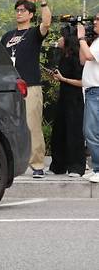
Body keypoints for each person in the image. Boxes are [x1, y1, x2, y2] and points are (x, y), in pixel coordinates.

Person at [0, 0, 52, 178]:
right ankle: (11, 162)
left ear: (30, 14)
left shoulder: (34, 33)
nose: (19, 13)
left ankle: (37, 165)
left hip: (30, 86)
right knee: (7, 125)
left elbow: (46, 23)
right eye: (17, 10)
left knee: (32, 125)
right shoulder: (7, 36)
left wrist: (43, 1)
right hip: (9, 88)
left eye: (23, 10)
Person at [48, 25, 86, 177]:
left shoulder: (77, 57)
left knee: (74, 132)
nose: (59, 39)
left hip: (75, 99)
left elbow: (81, 81)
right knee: (59, 132)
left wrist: (63, 79)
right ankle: (58, 166)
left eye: (62, 36)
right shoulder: (63, 55)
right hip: (64, 97)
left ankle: (76, 167)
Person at [78, 16, 99, 183]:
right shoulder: (96, 41)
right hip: (91, 91)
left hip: (97, 92)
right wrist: (82, 41)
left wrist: (81, 38)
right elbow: (83, 59)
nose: (95, 22)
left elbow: (89, 56)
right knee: (90, 132)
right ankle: (96, 167)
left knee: (92, 132)